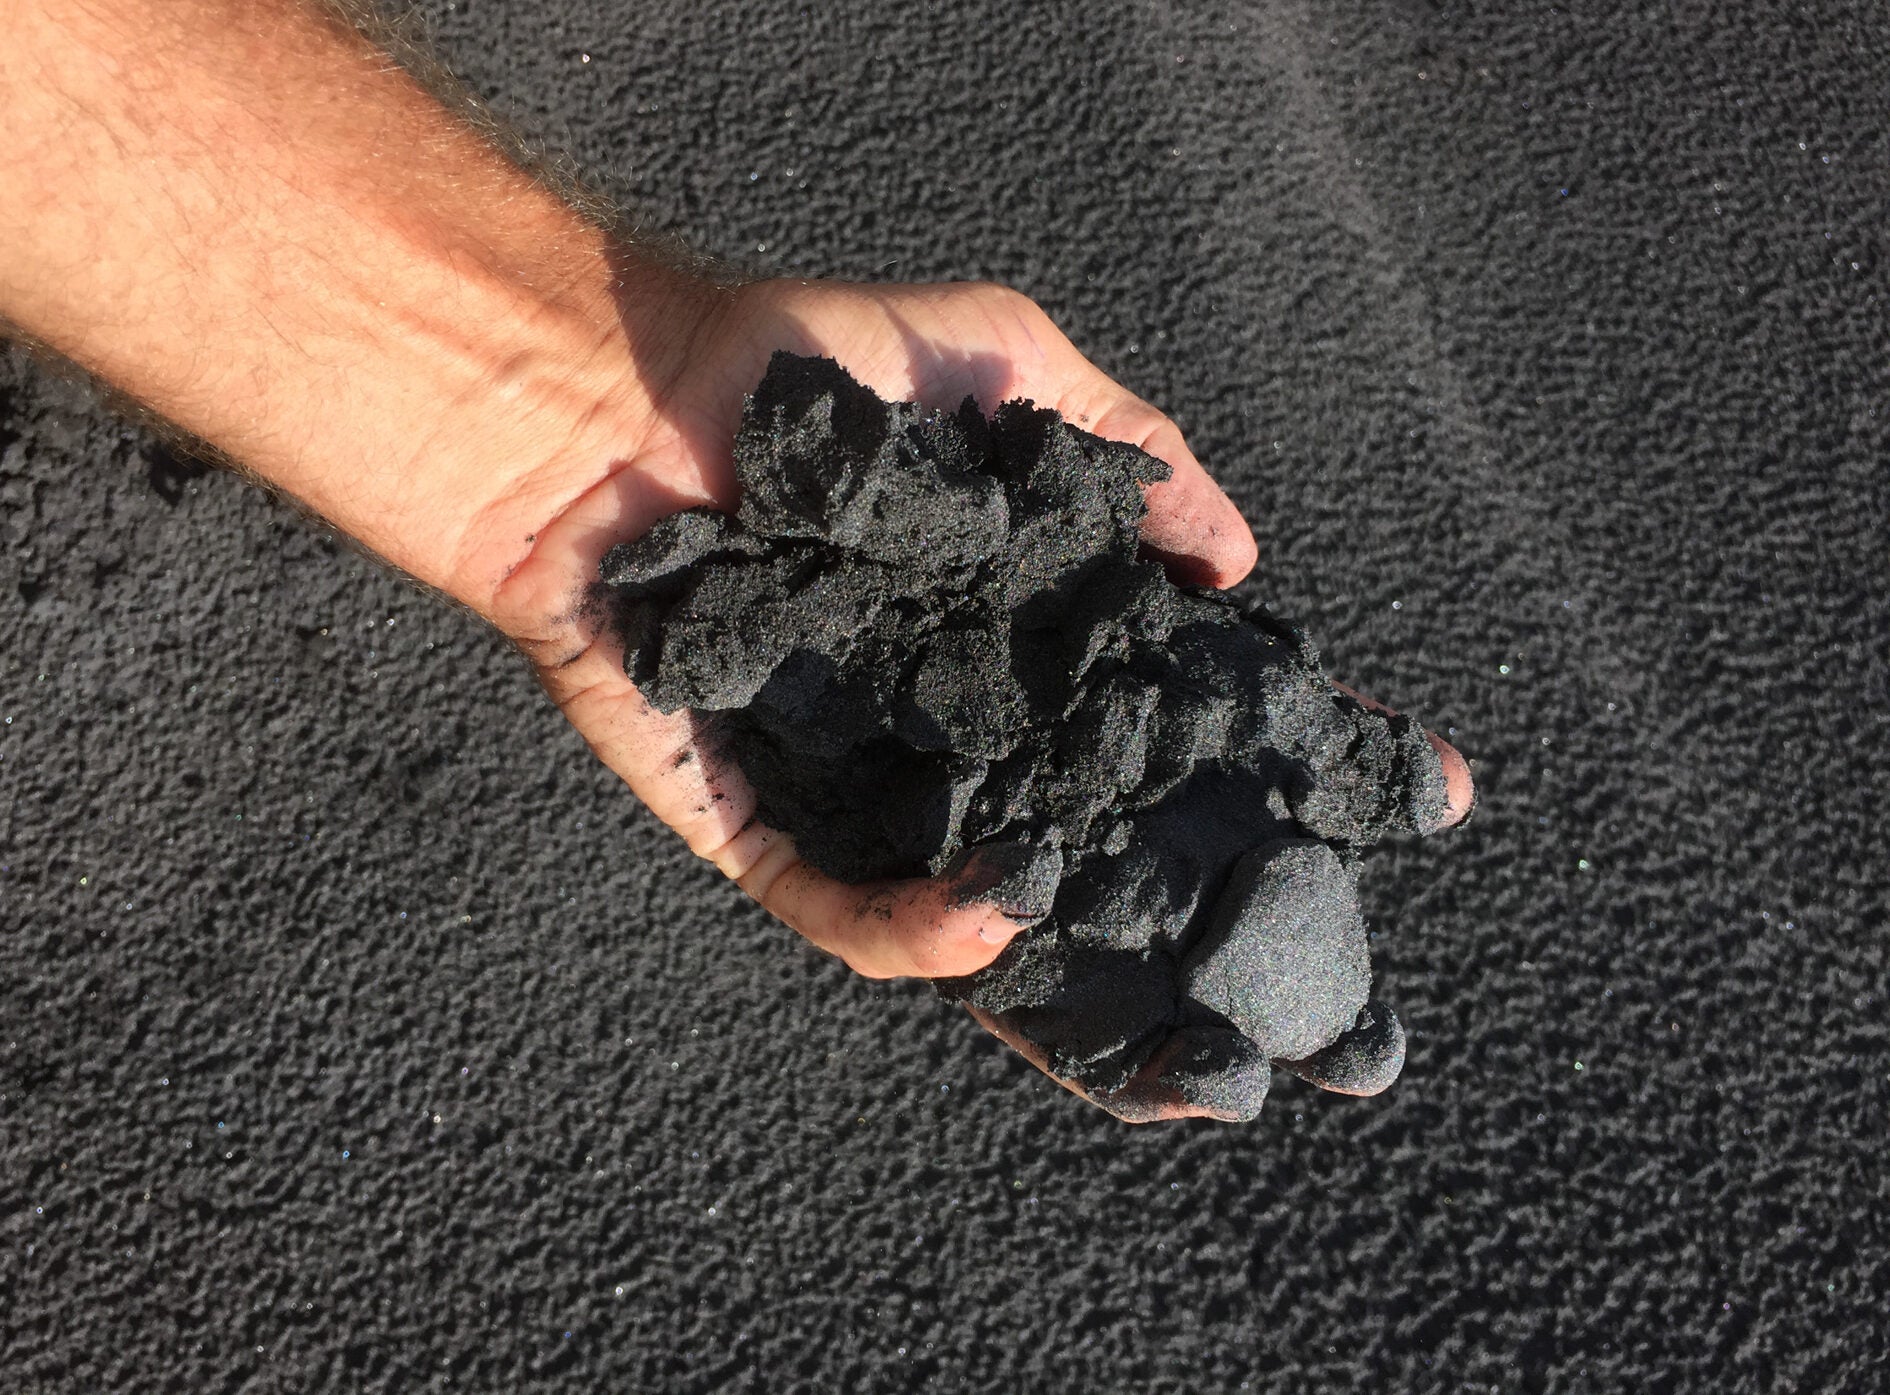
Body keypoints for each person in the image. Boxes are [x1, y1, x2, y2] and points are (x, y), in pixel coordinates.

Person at [0, 0, 1473, 1120]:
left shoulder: (1194, 795)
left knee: (995, 880)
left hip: (947, 697)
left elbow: (1103, 823)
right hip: (917, 622)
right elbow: (1212, 697)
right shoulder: (1201, 728)